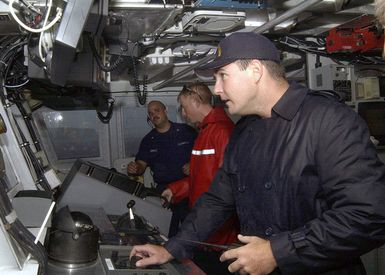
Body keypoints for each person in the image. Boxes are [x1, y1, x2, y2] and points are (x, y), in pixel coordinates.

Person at [130, 32, 385, 275]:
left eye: (222, 76)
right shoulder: (244, 131)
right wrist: (171, 248)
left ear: (255, 71)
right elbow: (217, 201)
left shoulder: (329, 121)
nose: (216, 89)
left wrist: (277, 253)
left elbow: (368, 216)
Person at [161, 82, 239, 274]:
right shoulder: (204, 133)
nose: (184, 114)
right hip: (203, 230)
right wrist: (175, 189)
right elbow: (199, 177)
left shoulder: (223, 132)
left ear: (197, 102)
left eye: (184, 108)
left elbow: (227, 187)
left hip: (219, 236)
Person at [127, 100, 196, 237]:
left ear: (166, 111)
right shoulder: (148, 140)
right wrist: (135, 168)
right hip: (163, 192)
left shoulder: (186, 131)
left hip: (188, 188)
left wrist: (194, 165)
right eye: (150, 113)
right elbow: (141, 165)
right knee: (166, 232)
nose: (154, 115)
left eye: (157, 110)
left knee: (192, 231)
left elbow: (205, 154)